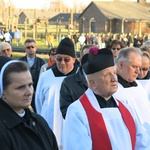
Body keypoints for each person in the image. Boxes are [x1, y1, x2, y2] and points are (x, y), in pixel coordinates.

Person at [63, 48, 150, 150]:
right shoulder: (78, 112)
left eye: (114, 72)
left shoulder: (126, 109)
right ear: (92, 83)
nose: (114, 79)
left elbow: (142, 145)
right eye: (107, 75)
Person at [0, 56, 58, 150]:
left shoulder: (39, 122)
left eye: (30, 85)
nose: (29, 92)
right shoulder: (3, 131)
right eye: (20, 87)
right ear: (3, 92)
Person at [35, 37, 79, 149]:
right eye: (59, 59)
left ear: (74, 59)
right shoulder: (46, 76)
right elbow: (38, 102)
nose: (62, 63)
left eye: (66, 60)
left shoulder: (80, 78)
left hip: (73, 129)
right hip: (50, 126)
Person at [113, 47, 150, 133]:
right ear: (120, 65)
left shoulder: (139, 86)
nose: (138, 72)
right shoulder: (114, 90)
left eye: (139, 67)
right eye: (134, 67)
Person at [60, 44, 95, 119]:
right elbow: (66, 112)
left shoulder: (104, 80)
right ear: (81, 60)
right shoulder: (68, 83)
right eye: (87, 57)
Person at [18, 38, 46, 112]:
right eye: (28, 47)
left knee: (39, 111)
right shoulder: (19, 62)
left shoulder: (42, 62)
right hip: (23, 92)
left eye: (32, 47)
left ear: (36, 48)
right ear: (25, 49)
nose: (31, 49)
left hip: (37, 92)